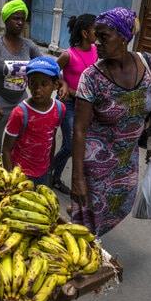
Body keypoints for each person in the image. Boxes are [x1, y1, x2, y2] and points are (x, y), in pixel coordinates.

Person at [71, 7, 151, 237]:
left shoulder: (148, 63)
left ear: (123, 36)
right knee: (90, 215)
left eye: (103, 37)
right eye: (95, 36)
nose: (96, 43)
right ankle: (87, 248)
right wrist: (77, 177)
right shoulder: (91, 77)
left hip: (127, 159)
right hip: (96, 163)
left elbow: (150, 108)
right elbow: (79, 129)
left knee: (120, 205)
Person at [0, 0, 68, 153]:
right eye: (16, 18)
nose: (20, 22)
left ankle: (12, 171)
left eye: (22, 18)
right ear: (6, 19)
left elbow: (46, 66)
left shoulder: (30, 46)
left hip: (21, 100)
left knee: (17, 140)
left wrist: (63, 83)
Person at [51, 14, 97, 194]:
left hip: (86, 106)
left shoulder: (95, 49)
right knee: (71, 145)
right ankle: (47, 172)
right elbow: (52, 73)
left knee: (79, 145)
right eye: (95, 30)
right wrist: (65, 86)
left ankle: (54, 178)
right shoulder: (68, 55)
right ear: (85, 33)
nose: (98, 33)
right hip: (68, 104)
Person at [2, 56, 65, 185]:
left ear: (55, 85)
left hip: (44, 172)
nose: (37, 89)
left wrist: (49, 167)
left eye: (44, 84)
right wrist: (11, 180)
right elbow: (6, 149)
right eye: (33, 83)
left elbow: (51, 139)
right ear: (27, 83)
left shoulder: (59, 109)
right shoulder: (19, 113)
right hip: (19, 174)